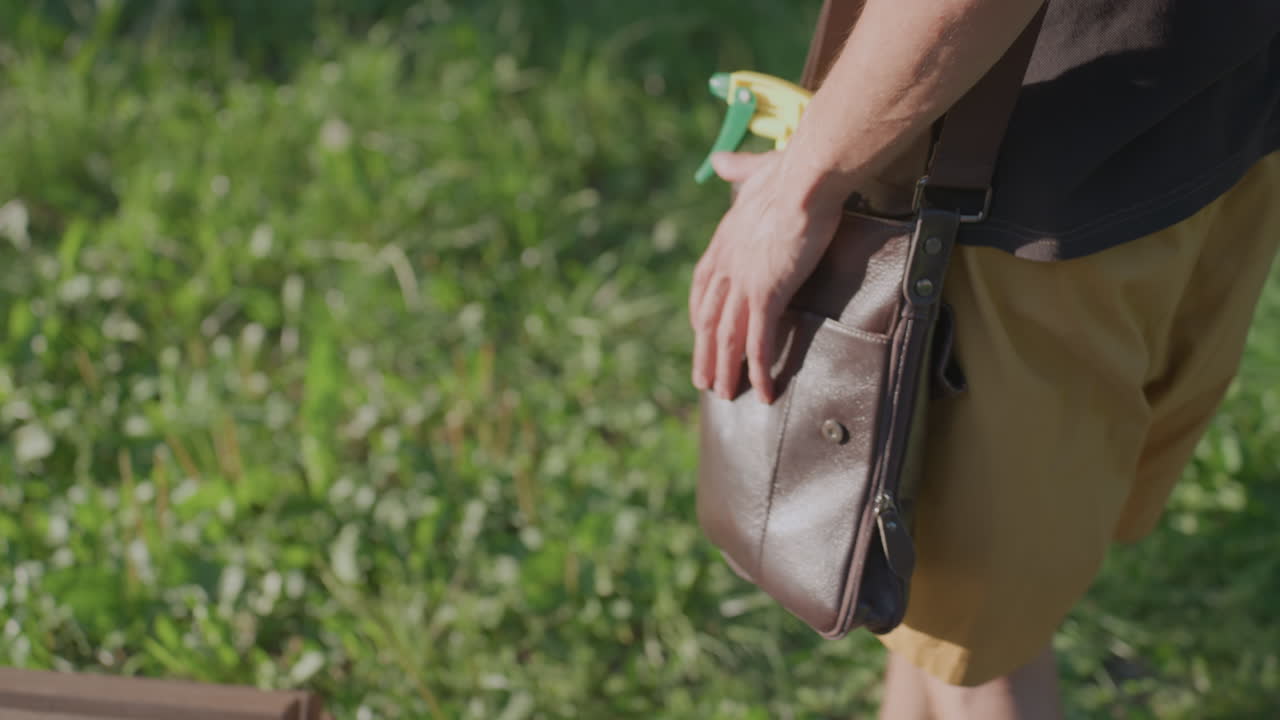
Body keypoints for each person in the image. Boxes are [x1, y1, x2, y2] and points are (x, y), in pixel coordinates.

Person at [686, 0, 1280, 717]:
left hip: (1004, 186)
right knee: (929, 603)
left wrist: (803, 180)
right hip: (1217, 110)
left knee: (976, 644)